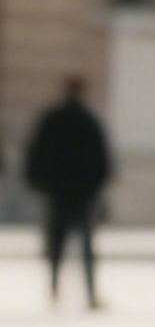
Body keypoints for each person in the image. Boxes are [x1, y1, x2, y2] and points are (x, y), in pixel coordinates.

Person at [24, 74, 112, 310]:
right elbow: (102, 159)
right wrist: (96, 186)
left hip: (58, 190)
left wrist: (38, 183)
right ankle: (90, 293)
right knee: (86, 245)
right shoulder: (88, 121)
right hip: (82, 192)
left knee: (56, 243)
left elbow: (36, 153)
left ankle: (54, 289)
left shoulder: (52, 119)